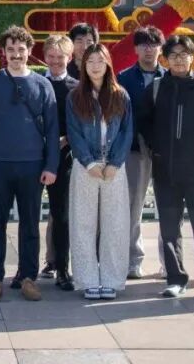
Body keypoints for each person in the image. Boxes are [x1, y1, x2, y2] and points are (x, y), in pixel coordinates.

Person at [136, 35, 194, 302]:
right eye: (173, 55)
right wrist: (157, 144)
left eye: (183, 55)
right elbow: (144, 121)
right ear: (165, 59)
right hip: (165, 169)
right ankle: (175, 279)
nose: (178, 60)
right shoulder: (156, 89)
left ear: (192, 57)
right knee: (169, 229)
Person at [0, 25, 59, 302]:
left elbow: (52, 129)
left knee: (30, 224)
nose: (15, 54)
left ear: (29, 51)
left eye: (21, 49)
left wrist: (51, 166)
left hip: (32, 164)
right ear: (3, 52)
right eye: (10, 49)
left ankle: (28, 278)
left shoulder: (43, 85)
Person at [66, 44, 133, 300]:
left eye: (100, 61)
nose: (95, 66)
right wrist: (89, 162)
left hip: (114, 166)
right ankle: (87, 279)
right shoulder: (75, 97)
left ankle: (112, 279)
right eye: (90, 61)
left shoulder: (120, 95)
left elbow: (127, 131)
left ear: (108, 64)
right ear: (83, 65)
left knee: (115, 224)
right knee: (82, 223)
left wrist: (115, 162)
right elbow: (73, 132)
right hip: (86, 167)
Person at [116, 26, 165, 280]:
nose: (149, 49)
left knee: (168, 207)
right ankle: (133, 260)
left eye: (153, 44)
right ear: (135, 49)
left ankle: (169, 262)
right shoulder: (123, 78)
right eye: (144, 44)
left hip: (165, 149)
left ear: (160, 48)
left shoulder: (170, 77)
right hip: (135, 148)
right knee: (133, 205)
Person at [40, 34, 77, 290]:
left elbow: (83, 122)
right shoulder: (35, 82)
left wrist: (67, 139)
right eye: (51, 57)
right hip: (34, 155)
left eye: (60, 57)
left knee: (61, 215)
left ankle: (63, 269)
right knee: (29, 215)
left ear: (70, 58)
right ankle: (26, 269)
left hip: (64, 157)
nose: (55, 62)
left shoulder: (77, 88)